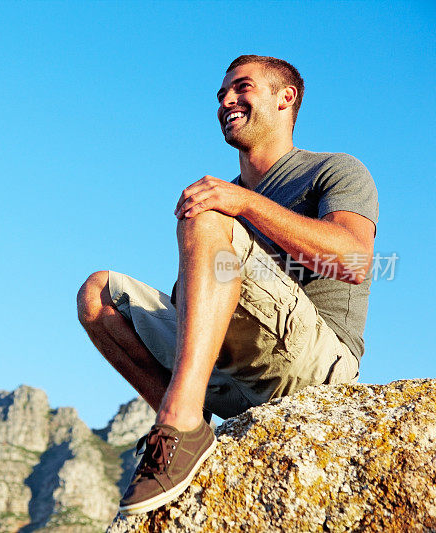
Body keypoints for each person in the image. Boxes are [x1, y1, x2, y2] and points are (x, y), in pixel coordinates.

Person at [76, 55, 378, 516]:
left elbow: (354, 261)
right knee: (97, 293)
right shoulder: (225, 197)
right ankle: (193, 426)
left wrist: (244, 204)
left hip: (315, 368)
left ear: (286, 98)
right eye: (221, 94)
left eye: (241, 88)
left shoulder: (333, 170)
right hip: (233, 375)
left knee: (209, 210)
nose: (226, 100)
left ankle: (176, 424)